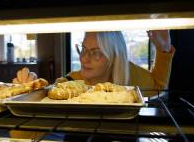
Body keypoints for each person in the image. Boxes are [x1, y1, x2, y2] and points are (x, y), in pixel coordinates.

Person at [14, 30, 174, 97]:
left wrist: (163, 50)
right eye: (83, 49)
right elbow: (29, 137)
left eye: (96, 52)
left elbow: (158, 87)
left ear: (114, 57)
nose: (84, 59)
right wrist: (28, 93)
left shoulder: (130, 75)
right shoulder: (70, 82)